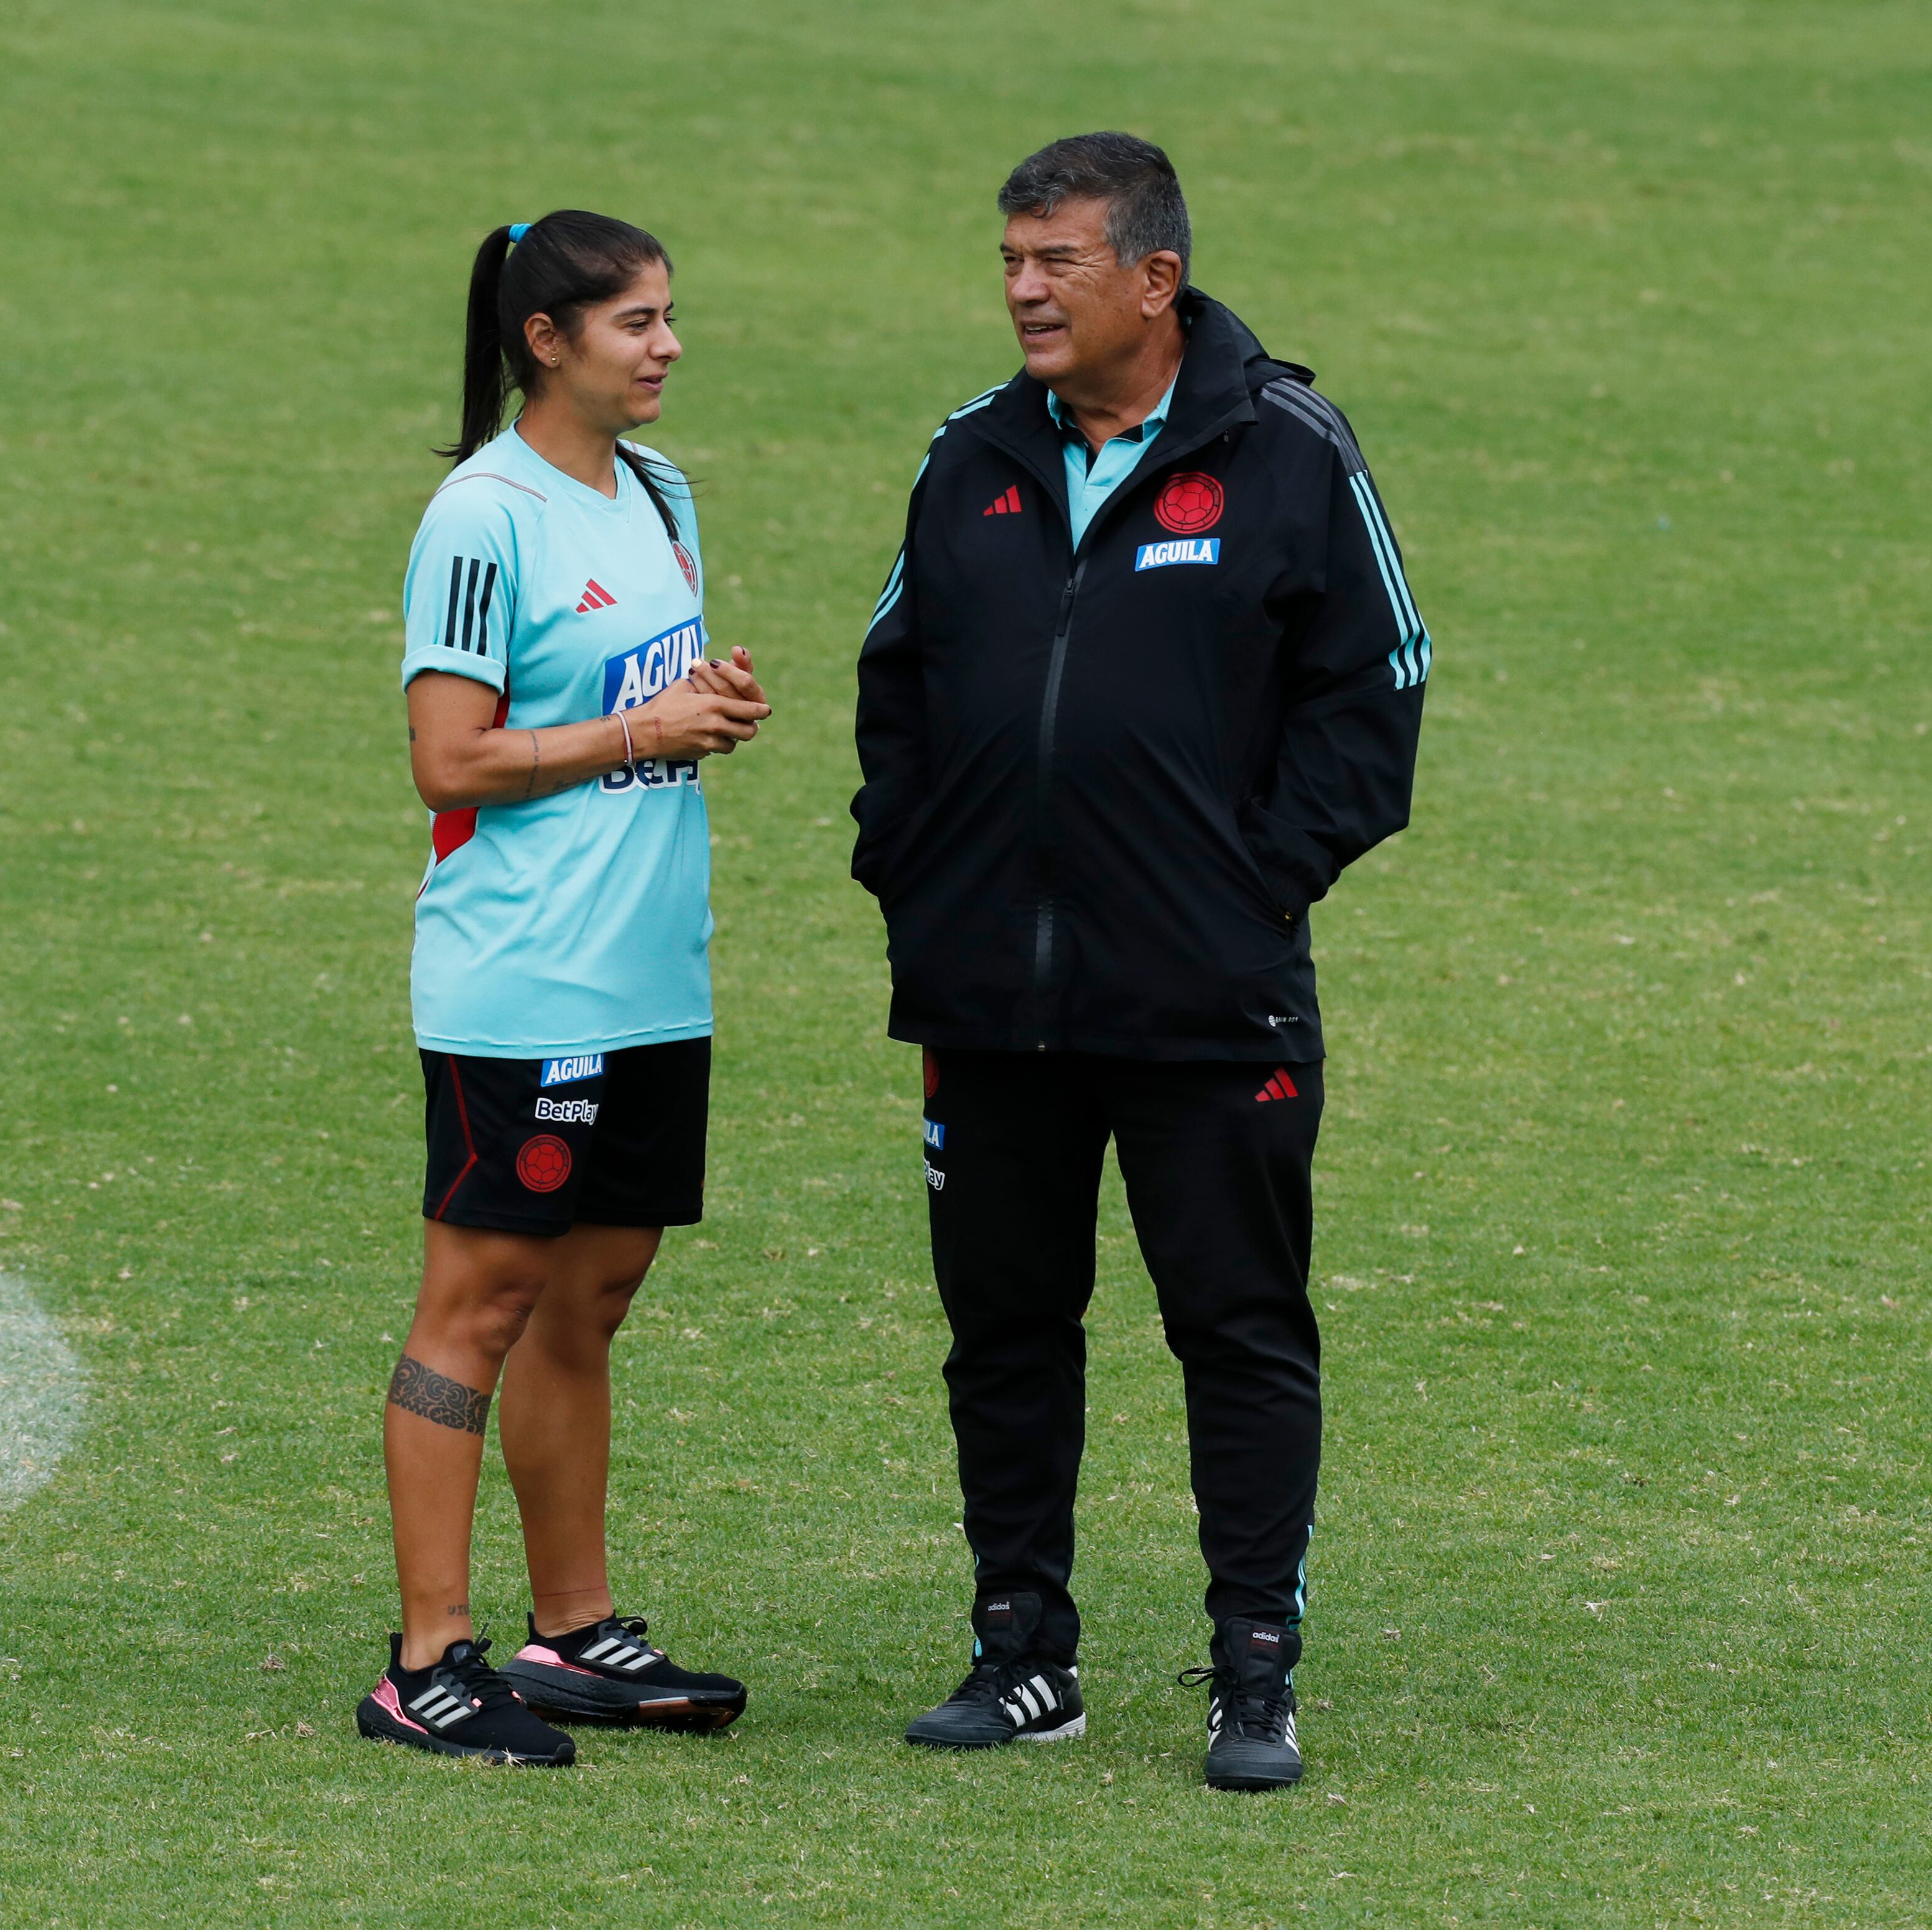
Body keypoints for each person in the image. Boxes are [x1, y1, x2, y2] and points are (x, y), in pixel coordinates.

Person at [850, 134, 1428, 1791]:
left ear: (1154, 281)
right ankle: (1022, 1652)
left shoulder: (1288, 447)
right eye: (1012, 261)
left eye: (1058, 262)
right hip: (992, 997)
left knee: (1238, 1326)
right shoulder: (969, 455)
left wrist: (1243, 890)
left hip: (1208, 995)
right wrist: (918, 879)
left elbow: (1378, 688)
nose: (1023, 289)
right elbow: (897, 683)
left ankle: (1257, 1671)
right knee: (1005, 1330)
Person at [359, 211, 771, 1766]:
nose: (666, 346)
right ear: (548, 339)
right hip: (522, 983)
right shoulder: (481, 516)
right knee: (477, 1305)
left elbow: (637, 700)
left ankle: (574, 1632)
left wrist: (701, 704)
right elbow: (446, 759)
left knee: (588, 1297)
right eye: (636, 323)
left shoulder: (657, 491)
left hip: (651, 974)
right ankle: (427, 1655)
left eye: (671, 317)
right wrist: (638, 736)